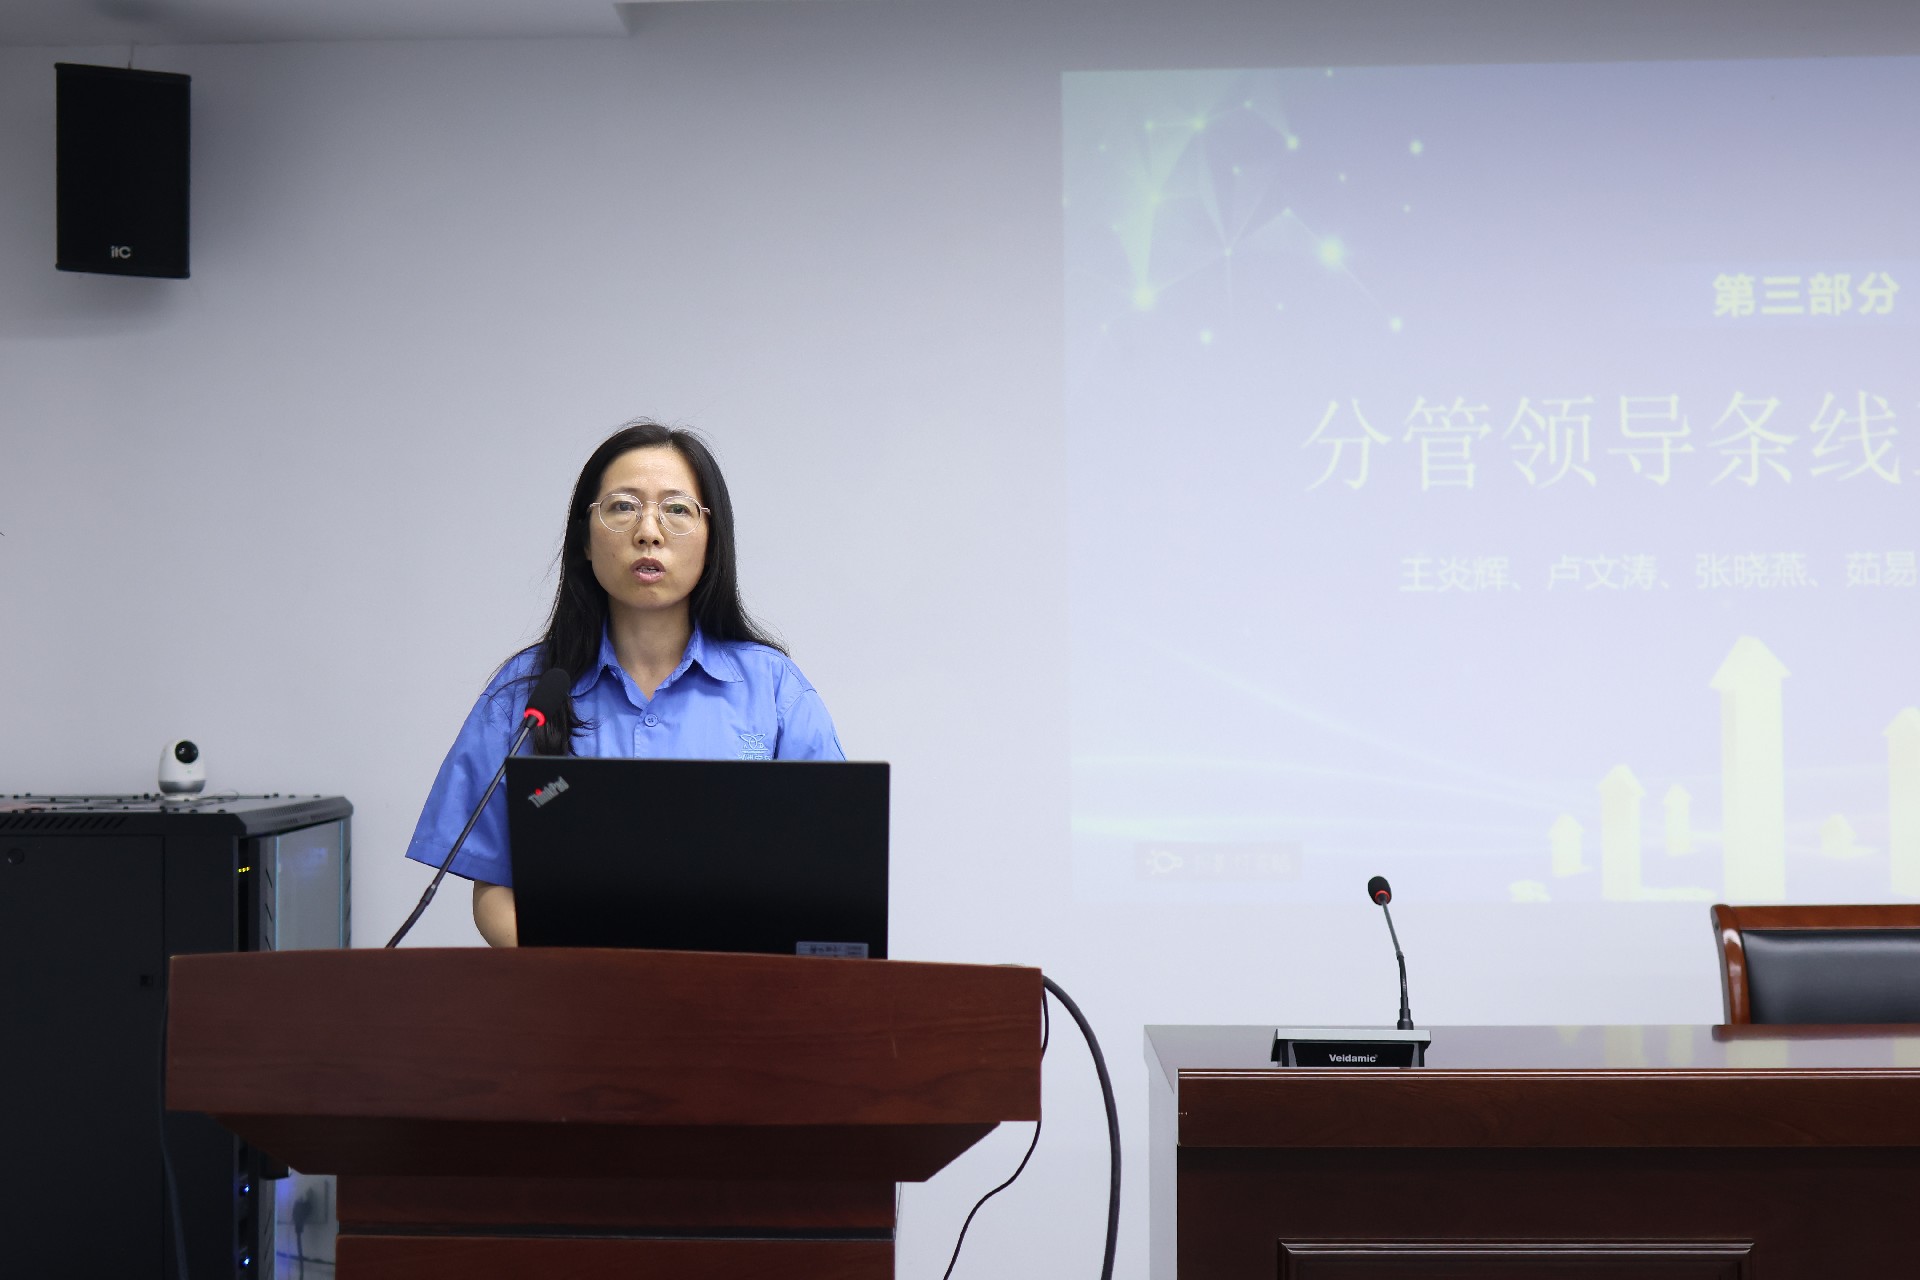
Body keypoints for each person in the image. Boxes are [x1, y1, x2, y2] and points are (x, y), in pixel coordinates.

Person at [403, 421, 843, 946]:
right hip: (572, 991)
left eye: (677, 509)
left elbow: (831, 874)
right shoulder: (527, 693)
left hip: (735, 990)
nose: (648, 532)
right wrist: (583, 975)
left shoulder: (773, 691)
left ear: (712, 540)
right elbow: (494, 891)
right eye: (622, 507)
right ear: (585, 541)